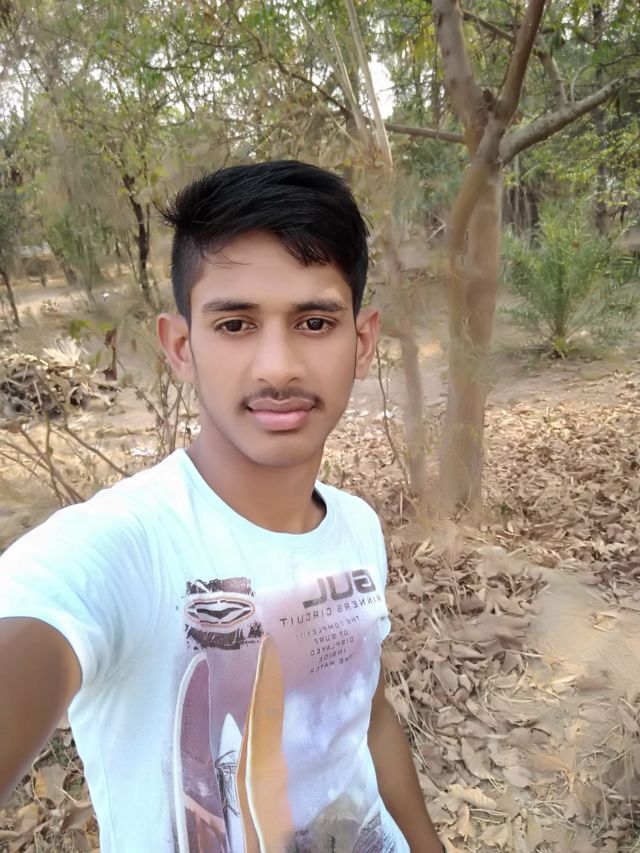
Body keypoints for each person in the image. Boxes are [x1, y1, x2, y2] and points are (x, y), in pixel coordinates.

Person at [0, 161, 443, 853]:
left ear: (361, 343)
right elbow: (38, 614)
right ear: (182, 347)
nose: (277, 366)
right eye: (235, 324)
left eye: (315, 321)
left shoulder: (357, 526)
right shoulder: (125, 546)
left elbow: (368, 715)